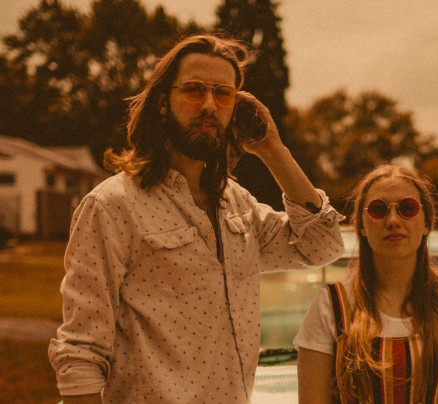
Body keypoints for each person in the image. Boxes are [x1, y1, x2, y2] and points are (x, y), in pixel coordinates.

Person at [48, 33, 344, 403]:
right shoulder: (112, 205)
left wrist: (273, 150)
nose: (208, 105)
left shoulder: (238, 205)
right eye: (193, 90)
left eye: (223, 94)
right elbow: (81, 353)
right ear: (162, 102)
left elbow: (322, 246)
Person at [294, 164, 438, 404]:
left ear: (426, 223)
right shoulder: (331, 305)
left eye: (407, 208)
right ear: (362, 226)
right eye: (378, 210)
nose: (392, 220)